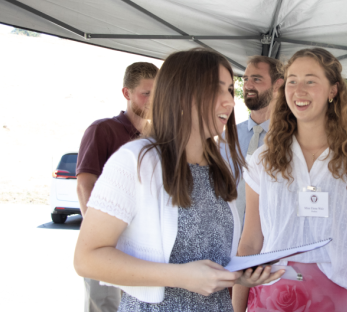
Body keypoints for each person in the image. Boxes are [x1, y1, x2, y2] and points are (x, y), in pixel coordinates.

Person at [73, 48, 282, 312]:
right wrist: (180, 276)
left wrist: (235, 275)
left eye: (230, 89)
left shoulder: (218, 167)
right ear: (181, 93)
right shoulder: (135, 162)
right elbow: (86, 258)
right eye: (217, 89)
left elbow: (208, 263)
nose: (229, 101)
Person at [232, 48, 347, 312]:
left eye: (310, 80)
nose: (299, 90)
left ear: (333, 90)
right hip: (269, 301)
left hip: (336, 302)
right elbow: (250, 242)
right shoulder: (264, 159)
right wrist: (236, 309)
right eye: (292, 81)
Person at [76, 61, 158, 312]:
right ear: (127, 93)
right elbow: (84, 185)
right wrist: (100, 240)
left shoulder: (158, 137)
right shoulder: (104, 129)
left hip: (142, 249)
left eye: (157, 94)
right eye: (146, 94)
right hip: (107, 246)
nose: (152, 101)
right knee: (105, 307)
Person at [220, 56, 284, 226]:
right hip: (228, 237)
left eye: (256, 79)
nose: (247, 85)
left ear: (278, 85)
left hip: (269, 240)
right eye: (245, 79)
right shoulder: (227, 137)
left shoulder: (289, 139)